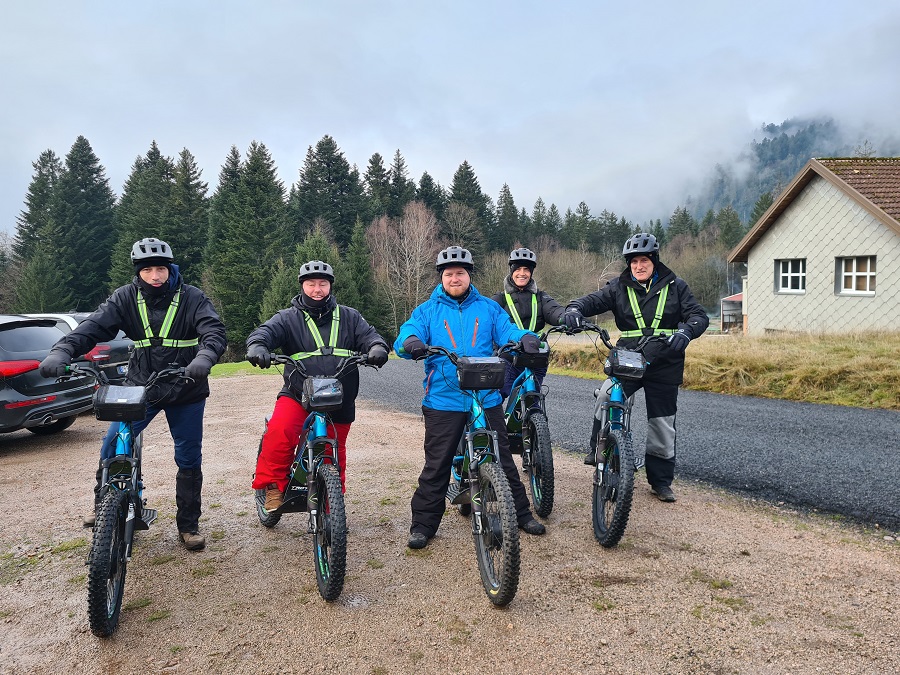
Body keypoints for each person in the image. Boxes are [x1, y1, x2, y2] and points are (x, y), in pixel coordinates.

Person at [39, 238, 226, 550]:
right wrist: (61, 352)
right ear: (138, 272)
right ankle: (109, 508)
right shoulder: (125, 297)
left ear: (171, 269)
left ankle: (188, 525)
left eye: (161, 269)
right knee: (114, 442)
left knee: (189, 456)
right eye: (148, 270)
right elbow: (90, 329)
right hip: (140, 386)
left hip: (186, 386)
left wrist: (204, 359)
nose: (155, 276)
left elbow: (214, 332)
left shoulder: (192, 297)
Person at [394, 245, 546, 550]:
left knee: (501, 457)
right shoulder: (428, 310)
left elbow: (507, 330)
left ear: (468, 275)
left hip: (485, 396)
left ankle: (521, 513)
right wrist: (411, 342)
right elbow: (406, 334)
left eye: (460, 273)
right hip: (444, 399)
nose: (454, 278)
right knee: (437, 464)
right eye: (449, 274)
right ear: (441, 278)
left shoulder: (489, 308)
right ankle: (423, 525)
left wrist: (524, 338)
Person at [563, 233, 708, 503]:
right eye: (633, 262)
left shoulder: (676, 285)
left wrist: (686, 333)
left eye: (643, 260)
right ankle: (600, 452)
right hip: (629, 355)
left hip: (665, 359)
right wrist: (574, 309)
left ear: (654, 260)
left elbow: (698, 316)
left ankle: (661, 481)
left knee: (662, 424)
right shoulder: (619, 286)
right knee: (607, 395)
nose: (638, 266)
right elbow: (592, 301)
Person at [247, 260, 389, 511]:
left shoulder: (349, 316)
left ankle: (332, 504)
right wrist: (258, 347)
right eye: (311, 284)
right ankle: (273, 487)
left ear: (330, 286)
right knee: (280, 432)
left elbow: (371, 337)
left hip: (340, 396)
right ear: (302, 286)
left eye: (322, 284)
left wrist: (377, 348)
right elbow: (263, 334)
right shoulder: (287, 318)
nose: (317, 289)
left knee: (335, 451)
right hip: (298, 393)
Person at [490, 247, 565, 398]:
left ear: (531, 272)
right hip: (508, 357)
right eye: (518, 269)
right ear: (511, 271)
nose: (522, 273)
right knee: (500, 395)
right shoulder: (500, 299)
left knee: (532, 398)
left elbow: (554, 310)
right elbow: (487, 318)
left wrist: (565, 317)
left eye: (526, 269)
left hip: (535, 356)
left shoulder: (541, 297)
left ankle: (532, 420)